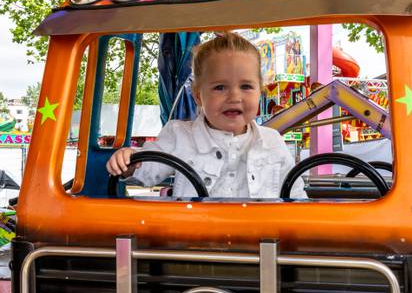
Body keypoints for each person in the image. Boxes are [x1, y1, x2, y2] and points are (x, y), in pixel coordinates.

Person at [106, 32, 306, 198]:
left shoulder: (272, 142)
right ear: (198, 96)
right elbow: (148, 168)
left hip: (261, 243)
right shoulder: (180, 135)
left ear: (260, 92)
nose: (234, 96)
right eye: (220, 87)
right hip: (194, 242)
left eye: (246, 86)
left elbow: (296, 197)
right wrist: (130, 162)